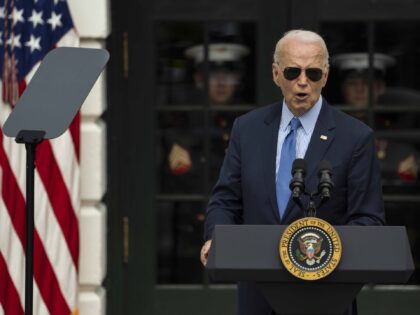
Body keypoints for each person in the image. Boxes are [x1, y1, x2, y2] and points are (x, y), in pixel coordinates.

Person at [201, 30, 385, 315]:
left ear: (325, 75)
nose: (303, 82)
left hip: (325, 294)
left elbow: (369, 219)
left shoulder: (355, 137)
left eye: (312, 73)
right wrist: (216, 237)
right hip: (257, 292)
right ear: (276, 74)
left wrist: (321, 250)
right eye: (292, 72)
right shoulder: (247, 129)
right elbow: (225, 199)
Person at [332, 53, 419, 189]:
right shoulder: (330, 128)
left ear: (380, 88)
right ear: (343, 89)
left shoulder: (395, 130)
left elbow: (406, 169)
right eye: (352, 83)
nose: (359, 90)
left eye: (367, 83)